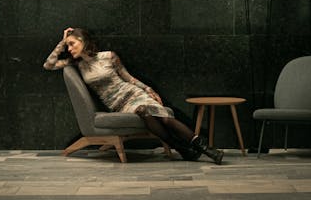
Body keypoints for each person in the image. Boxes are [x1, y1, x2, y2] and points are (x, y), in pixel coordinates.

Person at [43, 27, 224, 164]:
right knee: (146, 112)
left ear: (83, 41)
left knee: (163, 117)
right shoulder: (76, 64)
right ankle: (182, 148)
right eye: (68, 46)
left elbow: (128, 78)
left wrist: (149, 90)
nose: (70, 48)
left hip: (134, 93)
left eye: (72, 43)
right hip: (119, 104)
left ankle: (206, 148)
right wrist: (62, 41)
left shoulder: (109, 56)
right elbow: (48, 65)